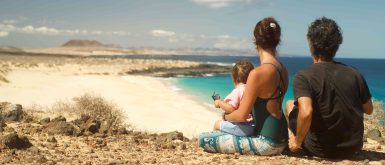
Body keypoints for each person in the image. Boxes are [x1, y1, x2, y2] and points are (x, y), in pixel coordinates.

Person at [199, 17, 289, 155]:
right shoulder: (283, 70)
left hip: (266, 144)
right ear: (278, 40)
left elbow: (241, 116)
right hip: (283, 141)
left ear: (255, 40)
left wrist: (225, 117)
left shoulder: (257, 73)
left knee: (204, 139)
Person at [285, 17, 373, 158]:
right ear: (336, 46)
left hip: (319, 149)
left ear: (310, 44)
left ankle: (296, 140)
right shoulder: (354, 73)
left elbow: (306, 112)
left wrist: (297, 142)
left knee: (290, 104)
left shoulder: (304, 76)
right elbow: (369, 109)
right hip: (353, 147)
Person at [213, 59, 255, 136]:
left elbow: (231, 108)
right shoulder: (252, 90)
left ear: (234, 79)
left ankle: (215, 143)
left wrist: (219, 102)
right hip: (253, 126)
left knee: (217, 124)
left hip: (242, 127)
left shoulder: (238, 91)